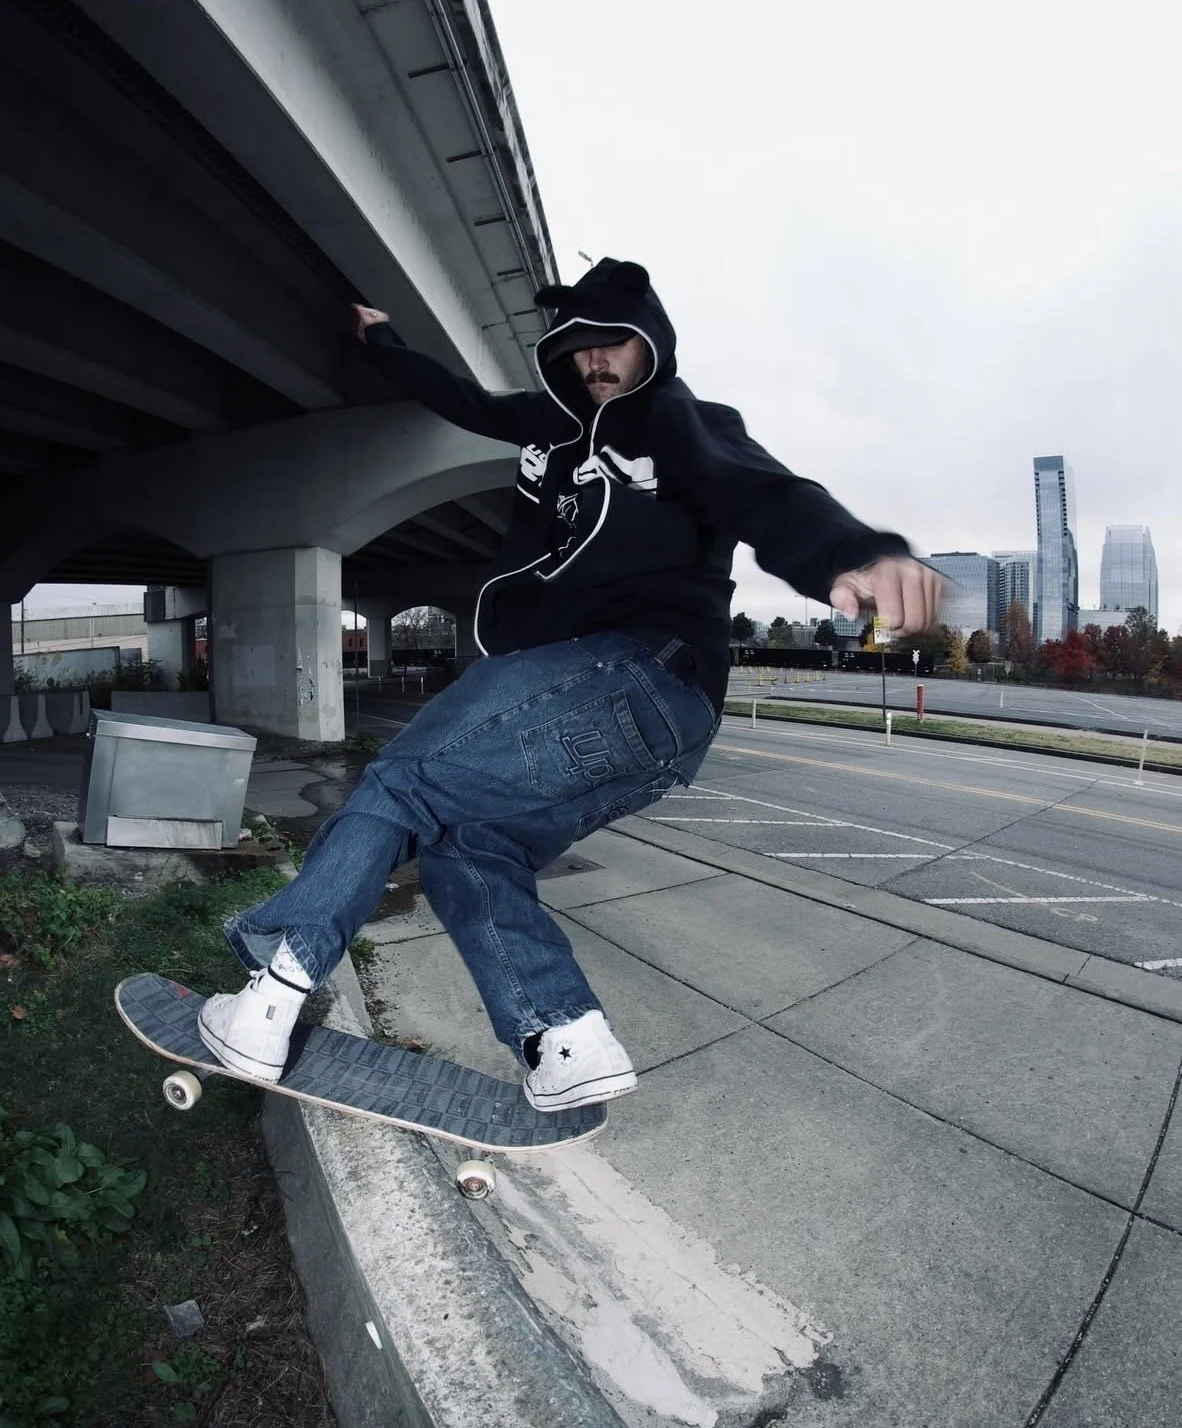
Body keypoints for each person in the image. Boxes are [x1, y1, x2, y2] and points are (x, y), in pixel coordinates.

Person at [198, 257, 942, 1111]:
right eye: (582, 347)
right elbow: (464, 401)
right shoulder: (548, 428)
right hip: (651, 728)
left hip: (641, 666)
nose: (598, 362)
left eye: (615, 345)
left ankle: (271, 989)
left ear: (649, 347)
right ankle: (565, 1037)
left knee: (405, 777)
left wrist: (852, 552)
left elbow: (762, 490)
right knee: (470, 847)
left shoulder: (674, 420)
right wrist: (385, 343)